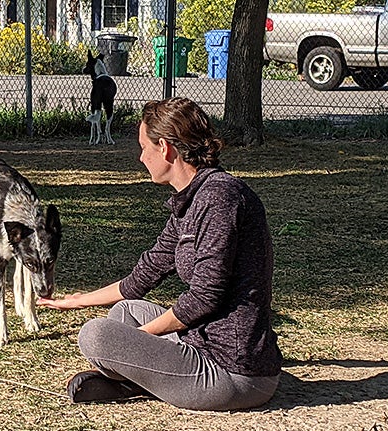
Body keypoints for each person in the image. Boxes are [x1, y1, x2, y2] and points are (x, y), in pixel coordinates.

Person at [37, 97, 282, 411]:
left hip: (232, 372)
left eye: (143, 147)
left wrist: (139, 339)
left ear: (165, 148)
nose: (141, 157)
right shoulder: (191, 199)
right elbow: (144, 274)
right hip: (199, 341)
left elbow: (204, 299)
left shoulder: (220, 199)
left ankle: (138, 379)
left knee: (96, 336)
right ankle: (141, 379)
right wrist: (75, 301)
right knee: (124, 312)